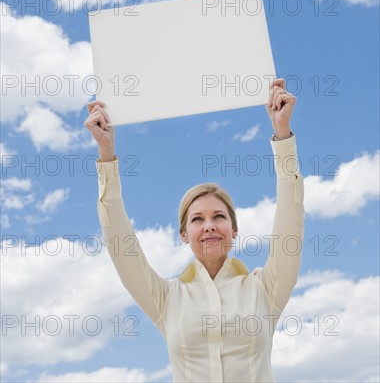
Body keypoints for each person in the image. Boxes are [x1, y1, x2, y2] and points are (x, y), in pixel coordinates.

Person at [84, 77, 305, 383]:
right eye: (197, 219)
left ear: (234, 230)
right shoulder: (167, 299)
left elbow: (291, 217)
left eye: (219, 216)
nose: (209, 225)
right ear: (184, 234)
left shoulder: (265, 290)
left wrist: (282, 135)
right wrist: (106, 153)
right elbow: (121, 245)